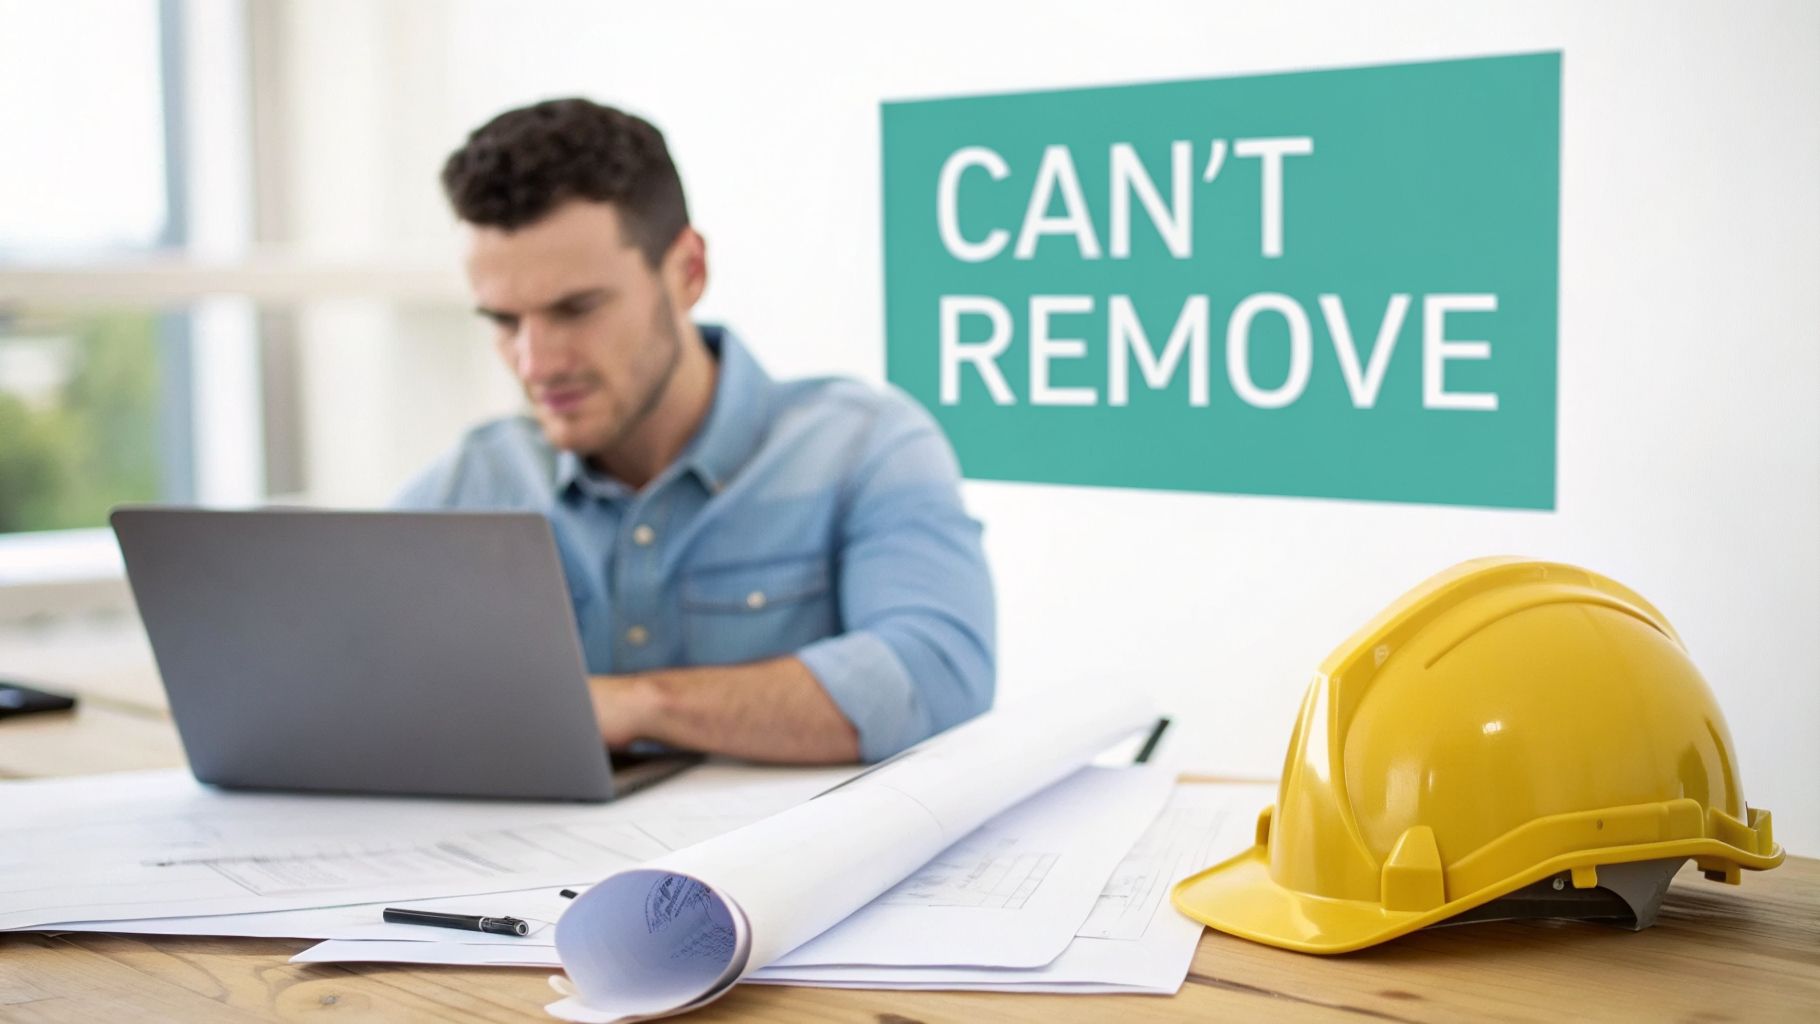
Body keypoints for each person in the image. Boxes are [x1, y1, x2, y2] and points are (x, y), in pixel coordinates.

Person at [395, 98, 995, 765]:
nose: (536, 363)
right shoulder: (466, 485)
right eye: (504, 322)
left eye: (576, 308)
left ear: (687, 272)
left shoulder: (864, 449)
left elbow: (939, 680)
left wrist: (634, 704)